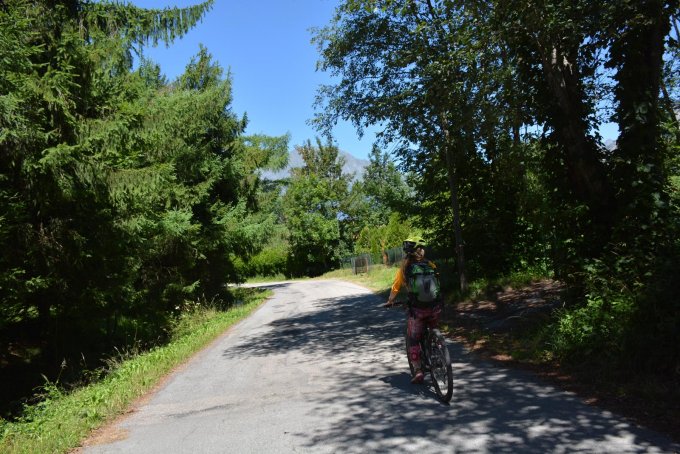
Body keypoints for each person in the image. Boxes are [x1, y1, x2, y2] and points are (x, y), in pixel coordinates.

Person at [384, 237, 442, 384]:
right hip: (435, 307)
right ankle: (440, 353)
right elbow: (437, 280)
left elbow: (396, 287)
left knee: (413, 338)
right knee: (434, 329)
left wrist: (390, 301)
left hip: (418, 310)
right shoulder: (430, 264)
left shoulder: (405, 267)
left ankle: (417, 370)